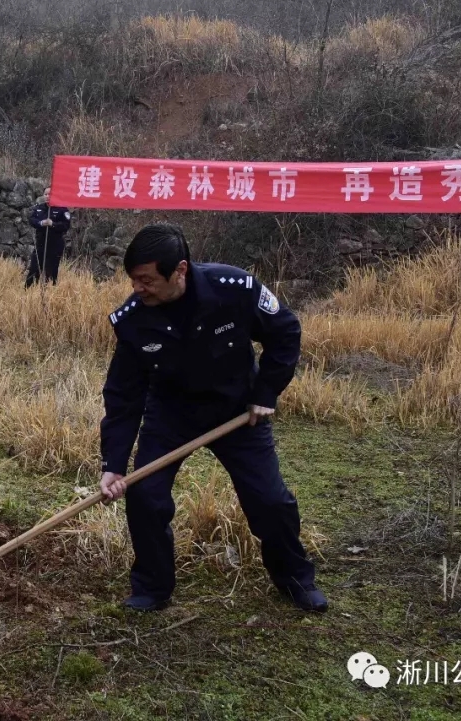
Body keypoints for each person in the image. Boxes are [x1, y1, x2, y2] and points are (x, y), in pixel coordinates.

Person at [97, 223, 327, 613]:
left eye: (147, 280)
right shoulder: (134, 320)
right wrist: (113, 464)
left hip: (238, 412)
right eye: (133, 280)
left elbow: (285, 332)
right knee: (145, 497)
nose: (138, 288)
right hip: (171, 415)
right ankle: (152, 587)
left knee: (270, 501)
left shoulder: (234, 288)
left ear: (180, 270)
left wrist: (265, 393)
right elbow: (123, 396)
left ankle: (294, 579)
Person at [25, 186, 71, 287]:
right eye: (45, 194)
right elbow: (32, 220)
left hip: (55, 245)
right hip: (40, 243)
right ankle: (28, 291)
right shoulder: (39, 208)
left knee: (51, 270)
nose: (47, 196)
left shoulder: (62, 209)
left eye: (50, 194)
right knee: (34, 268)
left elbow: (66, 225)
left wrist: (53, 224)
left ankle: (50, 291)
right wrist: (41, 223)